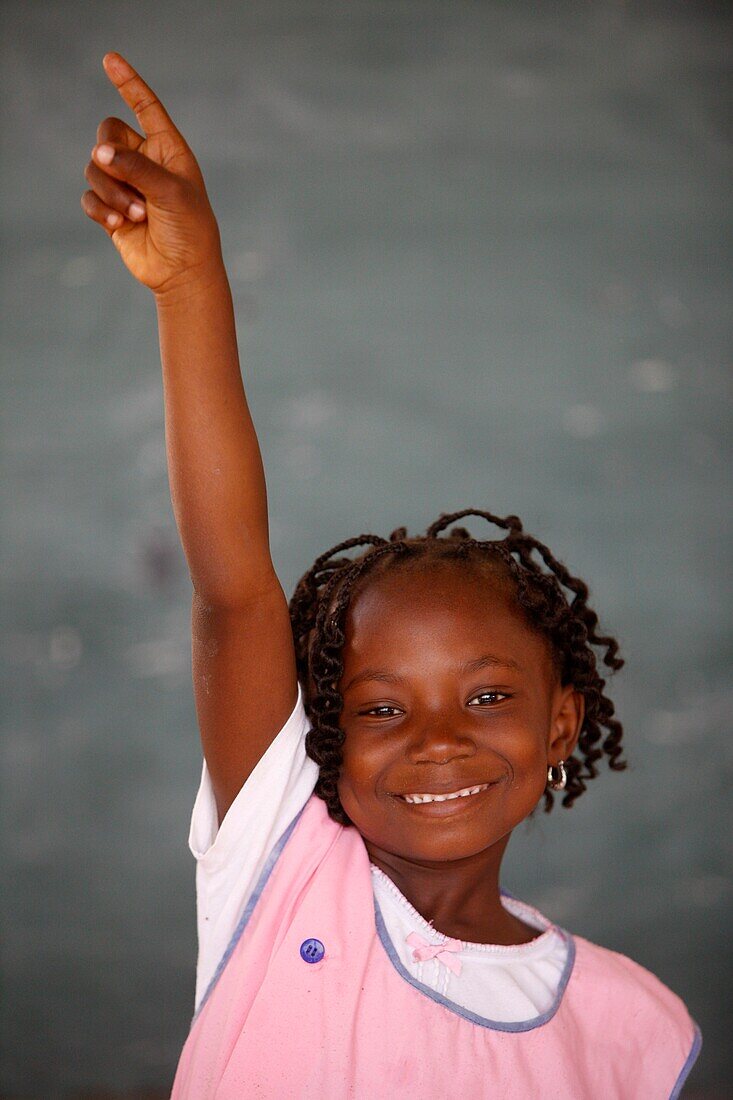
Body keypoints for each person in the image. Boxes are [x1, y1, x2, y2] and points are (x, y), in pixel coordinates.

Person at [82, 51, 702, 1099]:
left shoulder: (634, 1023)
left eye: (490, 694)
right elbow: (234, 589)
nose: (439, 738)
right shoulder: (281, 873)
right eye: (379, 708)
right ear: (319, 739)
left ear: (562, 722)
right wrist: (190, 283)